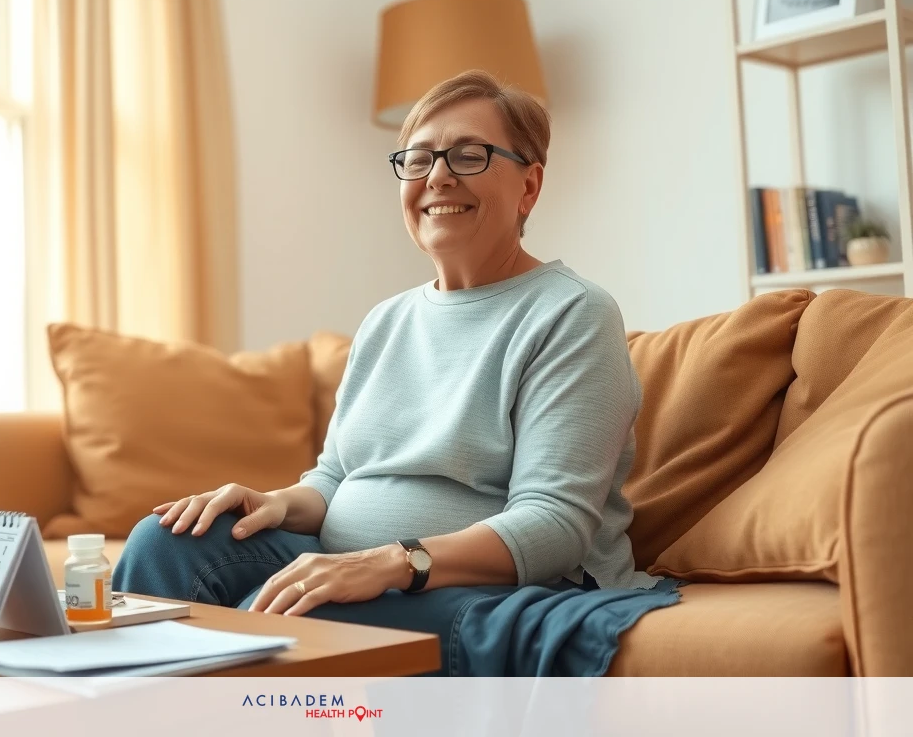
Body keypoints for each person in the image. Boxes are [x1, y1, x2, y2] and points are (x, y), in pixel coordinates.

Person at [111, 69, 680, 676]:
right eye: (417, 159)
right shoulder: (386, 320)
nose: (437, 176)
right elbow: (335, 477)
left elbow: (554, 525)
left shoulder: (572, 312)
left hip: (503, 589)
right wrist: (275, 502)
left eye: (469, 155)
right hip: (364, 567)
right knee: (164, 546)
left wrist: (392, 563)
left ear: (529, 185)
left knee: (291, 622)